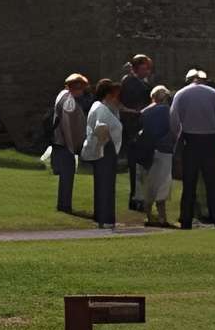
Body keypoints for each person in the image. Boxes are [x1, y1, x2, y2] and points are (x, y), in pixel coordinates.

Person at [168, 69, 215, 228]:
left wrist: (177, 139)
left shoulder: (181, 94)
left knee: (189, 184)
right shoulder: (214, 94)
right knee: (212, 183)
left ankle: (186, 219)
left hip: (190, 140)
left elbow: (174, 120)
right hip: (210, 140)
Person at [81, 78, 126, 228]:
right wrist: (104, 142)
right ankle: (106, 218)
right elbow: (101, 128)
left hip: (103, 148)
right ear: (108, 94)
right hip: (105, 148)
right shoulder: (101, 108)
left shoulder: (100, 107)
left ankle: (102, 216)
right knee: (106, 184)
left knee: (102, 184)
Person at [47, 73, 90, 216]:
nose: (82, 91)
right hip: (65, 144)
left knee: (66, 175)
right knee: (67, 175)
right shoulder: (69, 101)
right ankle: (64, 206)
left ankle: (64, 204)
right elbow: (66, 125)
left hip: (62, 143)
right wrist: (72, 148)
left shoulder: (64, 95)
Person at [136, 83, 177, 227]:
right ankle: (162, 217)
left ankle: (149, 216)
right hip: (165, 151)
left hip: (148, 151)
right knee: (163, 185)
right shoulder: (170, 112)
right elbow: (174, 131)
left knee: (150, 185)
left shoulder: (144, 112)